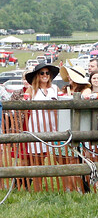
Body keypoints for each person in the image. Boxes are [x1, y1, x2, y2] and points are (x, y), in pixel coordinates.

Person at [24, 63, 60, 191]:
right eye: (42, 73)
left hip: (53, 125)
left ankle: (67, 185)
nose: (45, 75)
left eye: (47, 73)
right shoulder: (32, 90)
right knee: (37, 158)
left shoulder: (55, 88)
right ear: (37, 76)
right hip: (36, 125)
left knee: (59, 156)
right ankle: (37, 188)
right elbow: (25, 105)